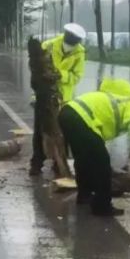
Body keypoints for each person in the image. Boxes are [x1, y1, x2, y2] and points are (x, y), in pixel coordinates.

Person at [59, 78, 130, 217]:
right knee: (102, 164)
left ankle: (84, 195)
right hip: (82, 119)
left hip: (67, 113)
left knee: (83, 159)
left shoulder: (119, 99)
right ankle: (102, 206)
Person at [30, 23, 87, 176]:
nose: (70, 46)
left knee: (62, 133)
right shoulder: (48, 46)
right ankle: (36, 163)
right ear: (64, 37)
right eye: (68, 42)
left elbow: (76, 77)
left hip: (63, 99)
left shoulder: (79, 54)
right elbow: (36, 67)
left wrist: (60, 75)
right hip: (44, 96)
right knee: (40, 131)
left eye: (73, 44)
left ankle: (59, 164)